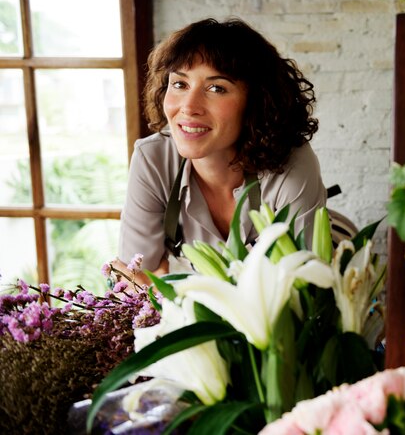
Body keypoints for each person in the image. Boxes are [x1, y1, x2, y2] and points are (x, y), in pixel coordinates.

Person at [115, 17, 327, 285]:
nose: (189, 107)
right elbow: (131, 277)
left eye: (216, 88)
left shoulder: (291, 165)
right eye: (180, 84)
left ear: (256, 102)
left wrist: (166, 275)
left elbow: (298, 289)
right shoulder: (153, 158)